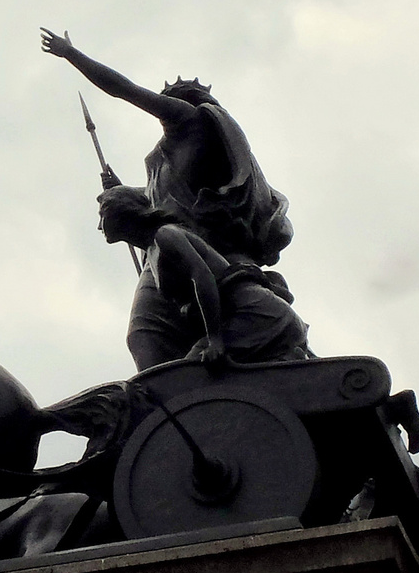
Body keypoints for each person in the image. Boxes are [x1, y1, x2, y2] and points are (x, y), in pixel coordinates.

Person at [40, 28, 295, 368]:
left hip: (193, 243)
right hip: (161, 251)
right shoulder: (164, 157)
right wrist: (122, 190)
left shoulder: (189, 120)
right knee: (143, 334)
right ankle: (165, 402)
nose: (164, 104)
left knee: (162, 330)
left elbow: (125, 90)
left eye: (171, 97)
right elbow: (157, 202)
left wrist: (71, 55)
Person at [97, 186, 311, 367]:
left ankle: (290, 358)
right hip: (241, 318)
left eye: (102, 215)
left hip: (256, 315)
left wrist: (215, 340)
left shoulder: (166, 235)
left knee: (186, 374)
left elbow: (203, 277)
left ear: (120, 213)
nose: (99, 225)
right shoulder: (153, 251)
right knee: (181, 374)